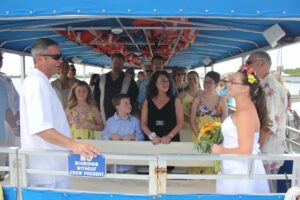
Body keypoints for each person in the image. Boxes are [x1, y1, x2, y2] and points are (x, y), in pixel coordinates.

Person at [20, 38, 99, 189]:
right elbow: (41, 128)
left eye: (60, 56)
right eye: (56, 57)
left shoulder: (41, 82)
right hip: (48, 172)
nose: (61, 61)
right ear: (40, 58)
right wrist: (74, 145)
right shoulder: (36, 84)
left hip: (53, 168)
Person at [212, 67, 270, 194]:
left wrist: (220, 150)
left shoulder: (245, 113)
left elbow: (245, 152)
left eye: (233, 82)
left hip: (242, 173)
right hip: (233, 168)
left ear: (245, 88)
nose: (229, 84)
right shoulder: (243, 109)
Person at [246, 51, 287, 192]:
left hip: (266, 153)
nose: (246, 67)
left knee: (266, 192)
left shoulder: (270, 88)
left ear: (262, 64)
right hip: (265, 151)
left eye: (249, 63)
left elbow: (269, 125)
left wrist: (254, 151)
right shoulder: (263, 86)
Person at [189, 71, 227, 174]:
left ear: (216, 84)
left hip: (215, 138)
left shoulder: (222, 100)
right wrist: (201, 137)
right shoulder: (198, 99)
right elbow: (192, 121)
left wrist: (218, 139)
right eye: (205, 81)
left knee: (211, 167)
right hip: (198, 136)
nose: (206, 84)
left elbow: (224, 122)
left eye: (210, 82)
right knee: (196, 166)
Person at [102, 94, 144, 173]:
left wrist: (134, 136)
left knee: (131, 183)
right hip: (114, 161)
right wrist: (110, 136)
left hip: (131, 161)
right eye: (126, 103)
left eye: (129, 103)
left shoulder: (135, 121)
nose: (129, 105)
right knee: (115, 183)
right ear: (117, 106)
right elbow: (104, 135)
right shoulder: (110, 121)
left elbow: (141, 136)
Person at [93, 53, 139, 123]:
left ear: (123, 64)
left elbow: (134, 97)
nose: (117, 65)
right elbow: (95, 97)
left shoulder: (129, 80)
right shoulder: (101, 79)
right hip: (104, 116)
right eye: (115, 63)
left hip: (123, 117)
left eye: (120, 63)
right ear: (111, 62)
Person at [141, 71, 183, 144]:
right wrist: (152, 136)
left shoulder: (176, 101)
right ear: (155, 83)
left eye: (167, 81)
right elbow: (143, 124)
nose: (166, 83)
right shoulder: (147, 101)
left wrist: (169, 136)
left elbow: (180, 123)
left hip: (171, 142)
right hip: (151, 143)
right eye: (162, 81)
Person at [179, 71, 202, 142]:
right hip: (186, 127)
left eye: (194, 78)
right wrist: (190, 120)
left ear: (198, 79)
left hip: (201, 126)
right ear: (187, 80)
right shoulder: (182, 95)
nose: (192, 80)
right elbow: (177, 112)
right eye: (189, 79)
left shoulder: (205, 93)